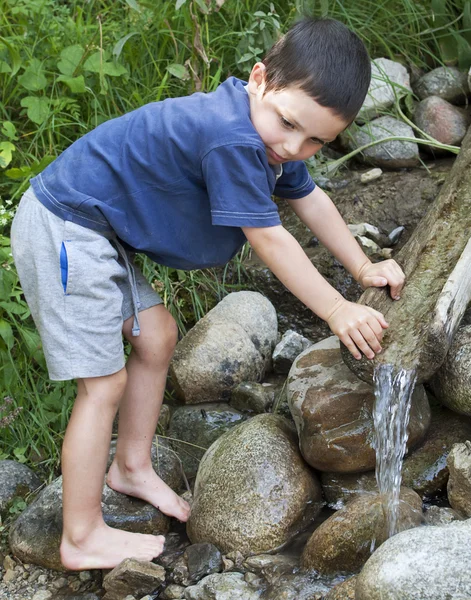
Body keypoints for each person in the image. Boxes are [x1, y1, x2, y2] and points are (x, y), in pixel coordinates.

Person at [10, 17, 405, 570]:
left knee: (159, 335)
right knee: (102, 384)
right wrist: (336, 309)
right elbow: (268, 237)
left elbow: (308, 199)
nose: (294, 146)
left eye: (317, 140)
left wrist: (362, 267)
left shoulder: (271, 140)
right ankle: (80, 535)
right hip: (66, 228)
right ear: (259, 78)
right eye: (288, 124)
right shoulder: (233, 137)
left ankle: (131, 467)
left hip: (98, 230)